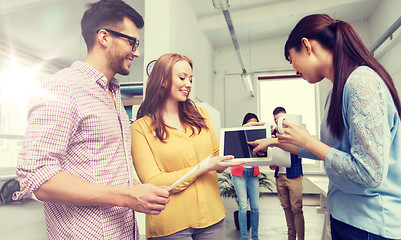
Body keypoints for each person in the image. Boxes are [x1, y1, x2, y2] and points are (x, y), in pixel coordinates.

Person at [13, 0, 170, 239]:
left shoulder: (113, 92)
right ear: (104, 37)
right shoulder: (62, 88)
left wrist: (137, 189)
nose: (136, 52)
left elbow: (104, 168)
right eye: (132, 42)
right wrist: (127, 197)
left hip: (124, 232)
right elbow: (37, 175)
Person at [249, 14, 401, 239]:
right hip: (346, 216)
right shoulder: (335, 92)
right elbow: (329, 152)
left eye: (292, 60)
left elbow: (370, 172)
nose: (295, 70)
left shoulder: (361, 83)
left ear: (306, 45)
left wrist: (308, 140)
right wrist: (272, 142)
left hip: (370, 224)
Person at [131, 53, 244, 239]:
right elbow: (154, 182)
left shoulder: (201, 115)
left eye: (190, 79)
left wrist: (241, 135)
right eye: (182, 78)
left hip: (212, 218)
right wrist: (202, 167)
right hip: (170, 224)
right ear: (163, 80)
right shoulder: (140, 128)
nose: (189, 84)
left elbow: (218, 156)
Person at [270, 107, 304, 240]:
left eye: (279, 119)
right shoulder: (273, 133)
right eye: (275, 120)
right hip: (280, 175)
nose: (277, 122)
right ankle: (291, 237)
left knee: (296, 209)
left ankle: (300, 238)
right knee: (286, 208)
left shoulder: (295, 132)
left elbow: (302, 150)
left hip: (294, 175)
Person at [231, 112, 261, 240]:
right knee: (243, 206)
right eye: (250, 123)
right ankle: (244, 237)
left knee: (255, 207)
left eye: (255, 123)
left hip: (252, 174)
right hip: (239, 173)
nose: (252, 126)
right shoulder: (238, 136)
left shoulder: (259, 140)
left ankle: (255, 237)